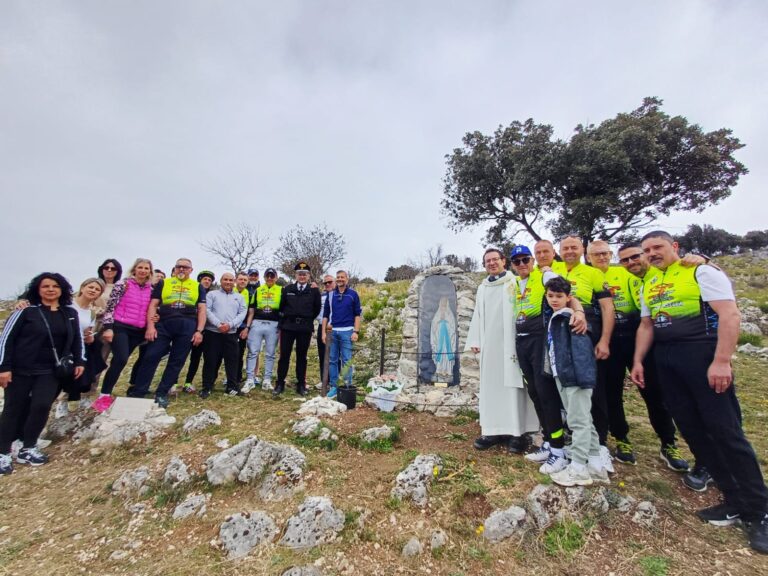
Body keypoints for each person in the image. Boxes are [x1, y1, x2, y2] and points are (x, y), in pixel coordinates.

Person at [631, 230, 768, 554]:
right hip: (666, 359)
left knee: (725, 431)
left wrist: (722, 361)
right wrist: (638, 360)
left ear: (674, 247)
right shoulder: (650, 283)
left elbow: (730, 314)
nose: (652, 253)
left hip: (703, 356)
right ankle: (732, 499)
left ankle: (760, 510)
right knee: (692, 430)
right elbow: (646, 325)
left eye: (658, 247)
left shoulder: (700, 271)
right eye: (647, 249)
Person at [618, 242, 712, 491]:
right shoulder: (624, 275)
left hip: (672, 344)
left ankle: (673, 446)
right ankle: (624, 440)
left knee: (666, 400)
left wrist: (703, 258)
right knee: (624, 397)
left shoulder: (673, 269)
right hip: (631, 339)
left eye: (635, 257)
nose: (631, 263)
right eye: (624, 260)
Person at [588, 240, 688, 472]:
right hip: (606, 342)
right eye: (596, 255)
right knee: (611, 394)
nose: (601, 258)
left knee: (653, 393)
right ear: (589, 257)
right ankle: (621, 439)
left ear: (610, 254)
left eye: (605, 253)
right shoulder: (587, 276)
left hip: (635, 338)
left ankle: (668, 443)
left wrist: (700, 258)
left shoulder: (625, 273)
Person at [510, 245, 586, 473]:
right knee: (534, 392)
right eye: (517, 261)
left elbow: (565, 293)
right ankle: (548, 441)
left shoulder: (543, 276)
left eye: (525, 260)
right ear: (512, 265)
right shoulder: (512, 284)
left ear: (532, 261)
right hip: (521, 340)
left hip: (539, 338)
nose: (522, 265)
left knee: (546, 392)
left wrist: (579, 312)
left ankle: (558, 449)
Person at [0, 273, 85, 474]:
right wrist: (3, 367)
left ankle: (28, 446)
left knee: (41, 406)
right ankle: (2, 452)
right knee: (13, 409)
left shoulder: (69, 313)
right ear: (37, 289)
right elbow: (6, 339)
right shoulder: (26, 311)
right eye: (45, 286)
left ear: (62, 289)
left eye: (55, 286)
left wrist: (80, 361)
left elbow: (76, 340)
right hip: (20, 369)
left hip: (50, 370)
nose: (50, 289)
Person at [465, 248, 539, 454]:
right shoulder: (483, 288)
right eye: (487, 261)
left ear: (503, 261)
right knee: (492, 387)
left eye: (495, 259)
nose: (491, 263)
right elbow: (477, 315)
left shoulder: (513, 283)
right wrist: (476, 339)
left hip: (511, 345)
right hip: (490, 346)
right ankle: (492, 430)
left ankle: (517, 433)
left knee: (513, 387)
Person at [543, 276, 607, 487]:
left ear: (568, 298)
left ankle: (578, 468)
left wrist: (581, 377)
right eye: (550, 295)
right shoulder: (556, 316)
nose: (554, 299)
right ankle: (596, 464)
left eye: (559, 296)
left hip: (574, 376)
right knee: (583, 419)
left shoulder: (570, 318)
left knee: (577, 422)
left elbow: (581, 351)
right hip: (563, 375)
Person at [559, 235, 615, 471]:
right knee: (570, 388)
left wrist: (604, 340)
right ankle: (578, 441)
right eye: (565, 248)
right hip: (563, 335)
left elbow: (607, 307)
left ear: (582, 249)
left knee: (594, 388)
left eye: (574, 247)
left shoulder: (593, 273)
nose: (570, 251)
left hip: (588, 332)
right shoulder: (556, 270)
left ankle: (600, 445)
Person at [127, 258, 207, 408]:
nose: (182, 269)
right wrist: (151, 326)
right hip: (164, 323)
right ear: (175, 268)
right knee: (151, 356)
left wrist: (199, 331)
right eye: (179, 267)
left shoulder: (197, 286)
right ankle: (139, 391)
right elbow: (153, 305)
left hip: (187, 324)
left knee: (177, 360)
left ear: (191, 270)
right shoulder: (165, 283)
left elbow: (202, 310)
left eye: (185, 267)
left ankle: (162, 393)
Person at [94, 258, 155, 413]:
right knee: (120, 359)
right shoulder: (123, 284)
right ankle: (104, 395)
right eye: (140, 267)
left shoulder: (152, 289)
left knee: (120, 361)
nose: (143, 271)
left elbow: (152, 310)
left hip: (138, 330)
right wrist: (108, 328)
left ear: (150, 271)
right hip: (121, 327)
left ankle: (106, 393)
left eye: (146, 268)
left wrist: (154, 320)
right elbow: (110, 307)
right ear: (134, 269)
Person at [54, 277, 107, 417]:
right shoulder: (66, 304)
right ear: (82, 288)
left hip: (77, 349)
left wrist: (89, 337)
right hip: (59, 347)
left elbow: (87, 331)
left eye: (97, 290)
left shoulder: (91, 312)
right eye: (91, 287)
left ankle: (66, 402)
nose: (93, 291)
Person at [275, 262, 321, 397]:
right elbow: (282, 307)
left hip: (304, 327)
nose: (302, 276)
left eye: (305, 274)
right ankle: (280, 383)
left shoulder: (313, 291)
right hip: (288, 327)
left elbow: (316, 309)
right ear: (295, 275)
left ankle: (301, 384)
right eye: (300, 274)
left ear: (308, 276)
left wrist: (306, 319)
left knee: (302, 357)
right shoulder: (288, 289)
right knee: (284, 356)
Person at [199, 272, 247, 398]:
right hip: (213, 333)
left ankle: (232, 387)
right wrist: (218, 324)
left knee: (232, 361)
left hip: (231, 333)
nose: (228, 282)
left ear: (234, 282)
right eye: (225, 279)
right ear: (221, 281)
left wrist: (230, 325)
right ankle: (207, 386)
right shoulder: (212, 294)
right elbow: (207, 310)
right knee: (211, 360)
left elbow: (242, 313)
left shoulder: (239, 297)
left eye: (231, 280)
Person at [322, 270, 362, 399]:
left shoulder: (353, 295)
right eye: (338, 277)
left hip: (347, 331)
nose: (340, 279)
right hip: (333, 331)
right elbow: (325, 315)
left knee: (346, 360)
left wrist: (356, 331)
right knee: (333, 360)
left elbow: (357, 314)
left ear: (347, 279)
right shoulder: (331, 295)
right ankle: (334, 386)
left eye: (342, 277)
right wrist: (323, 332)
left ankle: (346, 386)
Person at [242, 268, 282, 393]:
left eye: (272, 276)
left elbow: (284, 309)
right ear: (264, 277)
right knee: (253, 352)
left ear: (276, 277)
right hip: (257, 323)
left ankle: (267, 380)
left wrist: (281, 326)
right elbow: (252, 310)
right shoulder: (258, 290)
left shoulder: (281, 290)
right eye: (267, 276)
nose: (270, 278)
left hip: (273, 324)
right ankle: (250, 379)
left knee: (270, 353)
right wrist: (248, 326)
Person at [181, 270, 216, 394]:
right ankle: (173, 383)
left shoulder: (212, 296)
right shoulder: (192, 291)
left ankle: (188, 382)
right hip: (188, 328)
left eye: (209, 280)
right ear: (199, 280)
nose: (207, 281)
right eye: (205, 279)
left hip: (203, 331)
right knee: (180, 356)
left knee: (195, 358)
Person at [316, 274, 336, 386]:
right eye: (325, 283)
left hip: (336, 328)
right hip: (322, 327)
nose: (327, 284)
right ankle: (324, 380)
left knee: (335, 355)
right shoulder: (321, 296)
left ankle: (335, 380)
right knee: (322, 354)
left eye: (330, 282)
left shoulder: (339, 295)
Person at [235, 271, 251, 380]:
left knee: (239, 353)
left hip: (242, 328)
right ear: (236, 280)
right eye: (241, 279)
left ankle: (237, 377)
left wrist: (247, 328)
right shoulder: (230, 291)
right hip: (228, 327)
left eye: (245, 280)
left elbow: (251, 312)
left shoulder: (250, 294)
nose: (242, 281)